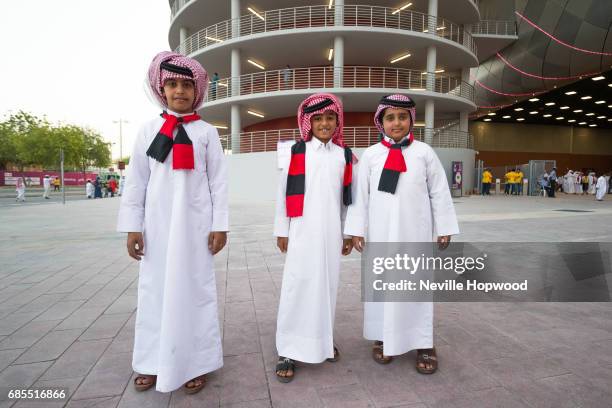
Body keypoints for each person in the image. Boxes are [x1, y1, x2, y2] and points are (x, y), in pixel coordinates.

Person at [117, 51, 228, 394]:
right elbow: (136, 181)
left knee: (195, 293)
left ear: (198, 91)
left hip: (195, 228)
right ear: (160, 89)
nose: (180, 91)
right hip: (157, 228)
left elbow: (218, 182)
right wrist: (133, 226)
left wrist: (220, 225)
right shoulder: (149, 130)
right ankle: (151, 361)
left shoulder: (207, 132)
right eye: (173, 84)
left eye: (186, 85)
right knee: (155, 293)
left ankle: (195, 362)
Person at [345, 94, 459, 374]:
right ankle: (383, 337)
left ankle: (423, 342)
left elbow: (439, 193)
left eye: (402, 116)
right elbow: (360, 197)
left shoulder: (424, 153)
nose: (396, 123)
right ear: (381, 121)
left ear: (411, 120)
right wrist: (356, 230)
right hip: (381, 235)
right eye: (390, 117)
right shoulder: (371, 155)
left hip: (415, 233)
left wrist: (444, 227)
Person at [273, 93, 354, 383]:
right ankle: (288, 349)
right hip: (301, 231)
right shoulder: (296, 151)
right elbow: (283, 193)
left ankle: (321, 341)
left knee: (327, 287)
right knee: (298, 286)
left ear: (337, 121)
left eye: (330, 117)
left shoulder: (344, 155)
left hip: (331, 233)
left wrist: (347, 232)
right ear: (308, 122)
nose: (324, 123)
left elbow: (347, 200)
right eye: (317, 118)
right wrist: (282, 229)